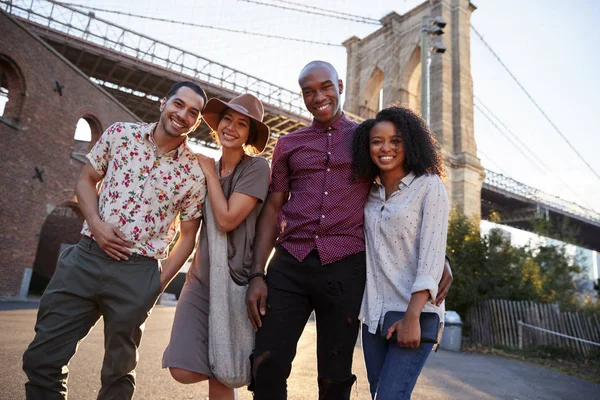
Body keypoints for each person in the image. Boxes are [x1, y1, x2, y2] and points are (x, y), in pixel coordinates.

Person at [245, 60, 453, 400]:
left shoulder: (367, 139)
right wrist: (257, 273)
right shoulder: (288, 145)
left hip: (345, 269)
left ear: (340, 86)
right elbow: (272, 207)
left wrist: (438, 255)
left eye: (326, 86)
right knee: (266, 363)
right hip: (289, 265)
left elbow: (403, 192)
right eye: (308, 91)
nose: (318, 97)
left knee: (335, 375)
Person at [22, 81, 208, 400]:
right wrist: (95, 223)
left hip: (138, 272)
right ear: (164, 102)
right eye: (178, 104)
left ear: (197, 122)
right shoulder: (121, 134)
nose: (183, 115)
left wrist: (155, 284)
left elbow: (188, 237)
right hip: (85, 258)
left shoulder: (193, 172)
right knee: (42, 359)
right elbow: (86, 180)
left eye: (193, 113)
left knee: (118, 376)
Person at [162, 93, 270, 399]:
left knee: (223, 372)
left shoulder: (256, 168)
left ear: (250, 134)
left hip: (234, 282)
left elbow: (226, 220)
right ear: (217, 124)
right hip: (199, 279)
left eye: (242, 124)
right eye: (227, 119)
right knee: (181, 367)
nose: (232, 128)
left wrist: (209, 172)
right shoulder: (205, 169)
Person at [352, 106, 448, 399]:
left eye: (396, 140)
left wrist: (412, 316)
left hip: (413, 314)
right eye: (377, 141)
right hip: (373, 316)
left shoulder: (429, 187)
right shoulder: (368, 193)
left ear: (411, 143)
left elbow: (432, 254)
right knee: (381, 394)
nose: (386, 148)